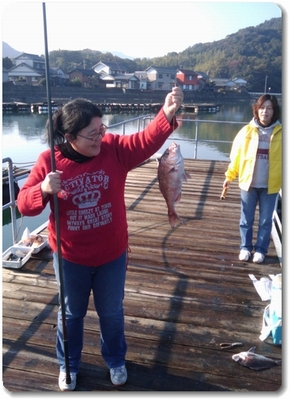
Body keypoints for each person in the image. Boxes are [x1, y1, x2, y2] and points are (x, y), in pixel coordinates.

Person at [17, 87, 183, 391]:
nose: (100, 138)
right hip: (69, 259)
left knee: (111, 312)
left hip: (111, 255)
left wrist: (166, 114)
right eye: (92, 134)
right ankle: (69, 364)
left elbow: (144, 141)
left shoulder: (113, 149)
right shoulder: (49, 162)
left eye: (102, 129)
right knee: (71, 314)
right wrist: (43, 189)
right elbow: (24, 205)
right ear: (70, 137)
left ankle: (116, 360)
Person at [222, 94, 282, 264]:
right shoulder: (246, 131)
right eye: (262, 108)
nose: (265, 111)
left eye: (269, 108)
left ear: (274, 111)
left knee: (265, 221)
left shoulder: (282, 132)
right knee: (246, 219)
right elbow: (237, 157)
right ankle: (245, 247)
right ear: (257, 110)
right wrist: (229, 177)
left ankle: (261, 250)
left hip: (270, 185)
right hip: (248, 183)